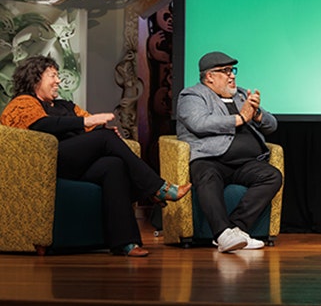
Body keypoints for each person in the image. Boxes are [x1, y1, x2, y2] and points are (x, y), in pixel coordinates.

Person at [0, 55, 191, 257]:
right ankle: (158, 188)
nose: (58, 81)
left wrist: (100, 127)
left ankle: (126, 243)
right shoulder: (23, 102)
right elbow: (43, 125)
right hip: (41, 167)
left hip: (71, 164)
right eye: (53, 76)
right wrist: (90, 126)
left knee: (113, 165)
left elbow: (91, 125)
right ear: (35, 78)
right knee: (105, 139)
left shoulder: (66, 106)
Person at [176, 51, 282, 253]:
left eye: (232, 70)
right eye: (225, 71)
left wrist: (257, 114)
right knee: (206, 175)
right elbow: (199, 123)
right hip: (211, 158)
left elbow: (273, 124)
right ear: (209, 76)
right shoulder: (193, 95)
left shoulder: (242, 95)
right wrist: (240, 119)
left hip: (244, 163)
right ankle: (222, 232)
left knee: (272, 176)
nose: (232, 75)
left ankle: (234, 231)